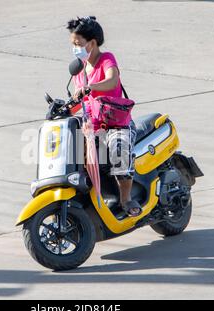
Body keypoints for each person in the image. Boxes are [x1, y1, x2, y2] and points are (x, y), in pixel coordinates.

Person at [67, 16, 141, 217]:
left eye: (78, 44)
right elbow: (80, 100)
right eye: (73, 44)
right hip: (92, 125)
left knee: (119, 149)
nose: (75, 48)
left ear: (91, 43)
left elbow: (112, 81)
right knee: (72, 151)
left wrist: (91, 87)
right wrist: (64, 110)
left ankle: (126, 199)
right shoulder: (79, 70)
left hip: (116, 123)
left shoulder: (106, 59)